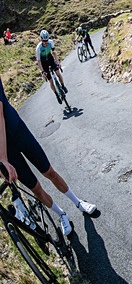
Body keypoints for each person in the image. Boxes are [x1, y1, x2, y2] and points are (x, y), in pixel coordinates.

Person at [0, 76, 97, 236]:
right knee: (35, 188)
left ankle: (78, 202)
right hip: (6, 153)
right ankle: (61, 214)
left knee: (49, 172)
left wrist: (2, 157)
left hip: (18, 132)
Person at [35, 30, 68, 104]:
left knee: (58, 74)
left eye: (46, 40)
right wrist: (42, 71)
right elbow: (39, 61)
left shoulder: (51, 42)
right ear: (41, 39)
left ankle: (63, 86)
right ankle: (56, 94)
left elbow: (54, 53)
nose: (46, 42)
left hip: (50, 59)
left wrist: (58, 63)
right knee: (51, 81)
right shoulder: (38, 48)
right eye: (44, 41)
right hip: (43, 63)